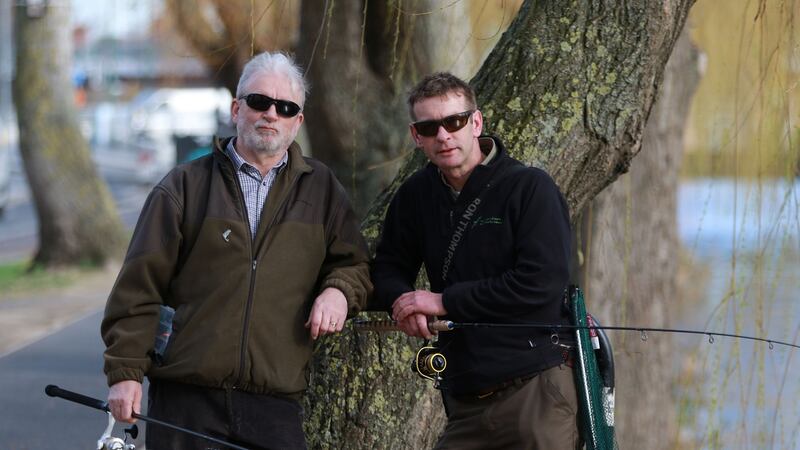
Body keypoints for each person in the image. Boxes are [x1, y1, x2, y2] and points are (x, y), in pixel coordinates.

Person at [101, 51, 371, 450]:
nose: (270, 114)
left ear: (298, 121)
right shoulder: (183, 187)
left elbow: (357, 263)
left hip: (273, 404)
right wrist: (125, 373)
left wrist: (339, 290)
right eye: (259, 102)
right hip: (186, 399)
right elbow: (139, 287)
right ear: (236, 108)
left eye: (285, 107)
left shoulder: (323, 190)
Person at [370, 72, 580, 449]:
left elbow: (540, 285)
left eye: (454, 122)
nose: (444, 135)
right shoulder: (415, 196)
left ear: (476, 123)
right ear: (416, 136)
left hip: (537, 388)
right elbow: (386, 267)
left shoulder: (530, 188)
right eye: (430, 127)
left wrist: (442, 301)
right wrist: (404, 304)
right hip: (465, 400)